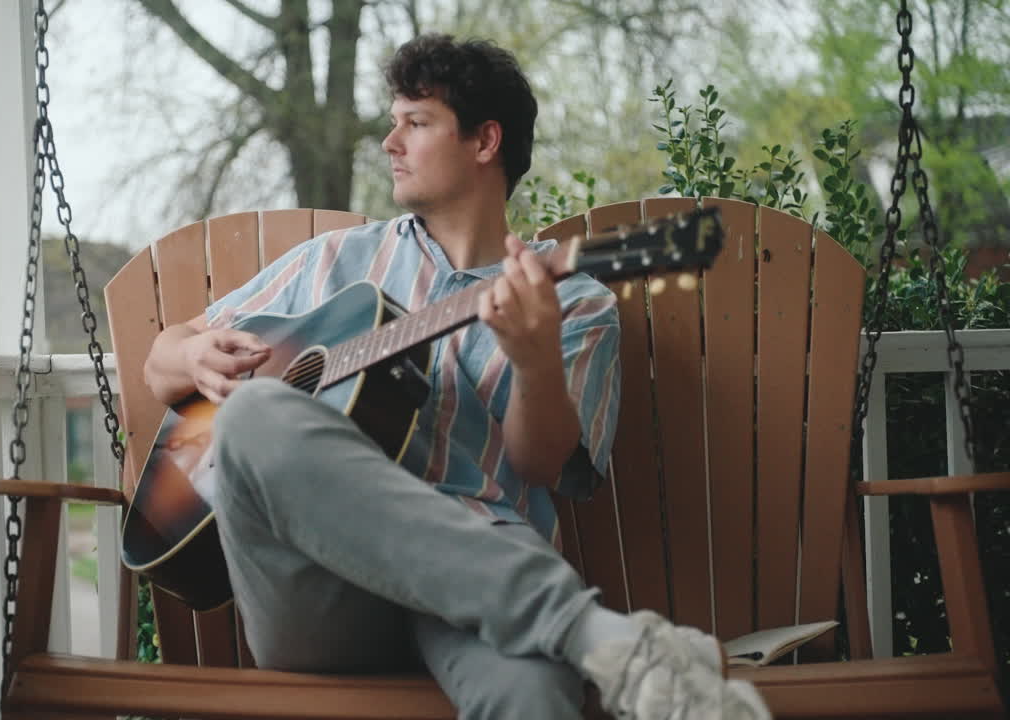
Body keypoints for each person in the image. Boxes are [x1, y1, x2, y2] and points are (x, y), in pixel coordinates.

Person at [143, 33, 770, 720]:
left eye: (416, 122)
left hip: (481, 583)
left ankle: (587, 639)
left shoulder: (573, 300)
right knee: (255, 414)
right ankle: (599, 636)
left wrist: (533, 358)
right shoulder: (332, 264)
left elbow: (543, 464)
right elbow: (160, 361)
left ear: (484, 142)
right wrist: (192, 358)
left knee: (533, 696)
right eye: (393, 121)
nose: (389, 141)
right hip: (322, 594)